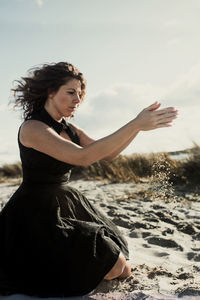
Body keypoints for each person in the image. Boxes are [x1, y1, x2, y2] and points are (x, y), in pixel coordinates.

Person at [0, 62, 178, 297]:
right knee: (115, 266)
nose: (78, 99)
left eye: (80, 94)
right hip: (34, 213)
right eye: (71, 92)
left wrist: (138, 129)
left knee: (122, 268)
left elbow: (107, 155)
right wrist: (134, 123)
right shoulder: (33, 127)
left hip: (65, 203)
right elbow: (82, 157)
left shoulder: (70, 128)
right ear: (50, 92)